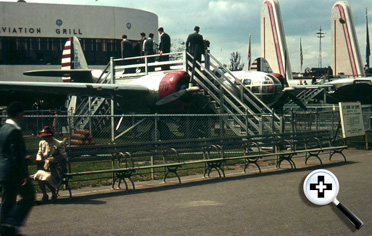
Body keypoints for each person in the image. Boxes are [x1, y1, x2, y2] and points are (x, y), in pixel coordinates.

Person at [0, 101, 35, 236]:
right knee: (29, 196)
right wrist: (23, 175)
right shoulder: (15, 130)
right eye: (23, 114)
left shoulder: (3, 128)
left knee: (7, 201)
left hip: (4, 171)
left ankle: (4, 228)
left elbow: (6, 151)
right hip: (14, 172)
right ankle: (11, 222)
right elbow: (15, 156)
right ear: (20, 114)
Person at [33, 126, 67, 204]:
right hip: (44, 167)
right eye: (44, 137)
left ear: (51, 136)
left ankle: (53, 193)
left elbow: (64, 157)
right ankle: (44, 194)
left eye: (47, 137)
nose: (45, 139)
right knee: (38, 175)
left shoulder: (58, 143)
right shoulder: (41, 143)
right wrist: (39, 159)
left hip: (56, 168)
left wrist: (52, 159)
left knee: (47, 177)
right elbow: (39, 153)